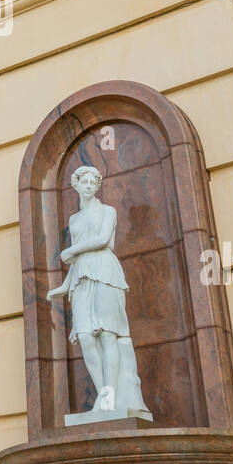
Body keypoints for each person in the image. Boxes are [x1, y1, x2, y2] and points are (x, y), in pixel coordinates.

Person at [48, 165, 151, 420]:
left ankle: (108, 396)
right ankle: (101, 394)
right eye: (85, 182)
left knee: (107, 334)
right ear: (76, 185)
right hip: (82, 276)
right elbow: (75, 260)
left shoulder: (108, 211)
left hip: (105, 271)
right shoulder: (74, 220)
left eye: (94, 183)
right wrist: (63, 286)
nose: (90, 187)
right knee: (85, 337)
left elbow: (104, 239)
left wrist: (73, 251)